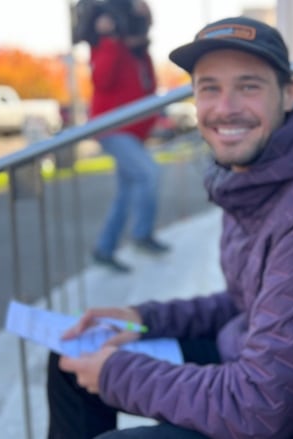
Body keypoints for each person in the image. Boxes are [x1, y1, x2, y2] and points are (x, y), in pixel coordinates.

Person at [46, 16, 293, 439]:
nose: (225, 107)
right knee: (72, 358)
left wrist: (115, 373)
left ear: (289, 92)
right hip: (245, 359)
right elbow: (248, 302)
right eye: (209, 88)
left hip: (283, 412)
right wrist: (141, 319)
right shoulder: (252, 171)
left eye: (249, 86)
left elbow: (262, 407)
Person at [82, 0, 169, 273]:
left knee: (125, 194)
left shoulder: (138, 55)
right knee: (149, 173)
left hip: (134, 134)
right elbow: (102, 81)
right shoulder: (108, 48)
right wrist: (110, 37)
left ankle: (104, 249)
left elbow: (150, 89)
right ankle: (142, 235)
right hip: (113, 130)